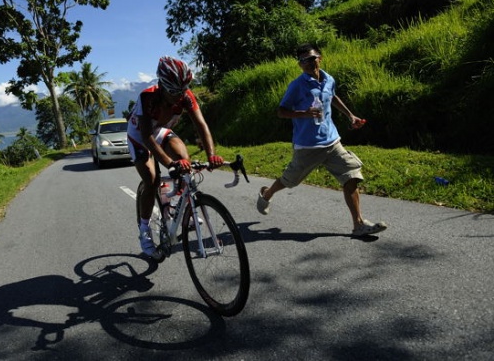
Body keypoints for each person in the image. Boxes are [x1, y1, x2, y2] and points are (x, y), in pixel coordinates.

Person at [256, 43, 387, 237]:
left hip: (332, 141)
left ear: (320, 57)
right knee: (289, 181)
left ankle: (358, 224)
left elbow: (332, 96)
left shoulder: (328, 79)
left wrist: (350, 115)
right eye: (302, 61)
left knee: (350, 176)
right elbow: (281, 112)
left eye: (310, 58)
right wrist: (303, 113)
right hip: (307, 146)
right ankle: (267, 194)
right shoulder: (297, 85)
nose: (307, 63)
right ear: (299, 65)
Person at [128, 56, 224, 259]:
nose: (179, 96)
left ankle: (184, 208)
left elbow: (201, 125)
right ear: (162, 85)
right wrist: (169, 163)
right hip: (139, 136)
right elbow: (146, 136)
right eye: (174, 91)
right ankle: (144, 230)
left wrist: (212, 155)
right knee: (152, 180)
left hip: (161, 131)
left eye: (183, 90)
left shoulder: (185, 96)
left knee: (185, 160)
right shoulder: (148, 97)